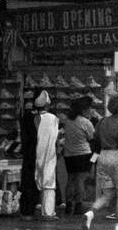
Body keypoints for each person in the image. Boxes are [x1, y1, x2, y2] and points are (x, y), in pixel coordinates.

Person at [82, 94, 118, 230]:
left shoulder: (101, 122)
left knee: (106, 195)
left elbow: (96, 143)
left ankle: (91, 213)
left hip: (103, 157)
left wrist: (93, 162)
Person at [61, 96, 96, 216]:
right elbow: (92, 139)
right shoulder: (86, 123)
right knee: (80, 180)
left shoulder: (67, 121)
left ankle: (68, 205)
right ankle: (79, 205)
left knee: (70, 179)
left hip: (69, 155)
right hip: (83, 154)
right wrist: (94, 159)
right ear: (83, 110)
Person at [33, 92, 59, 220]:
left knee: (39, 181)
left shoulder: (35, 118)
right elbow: (55, 137)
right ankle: (48, 212)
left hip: (37, 153)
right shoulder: (53, 118)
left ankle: (40, 206)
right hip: (50, 154)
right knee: (49, 183)